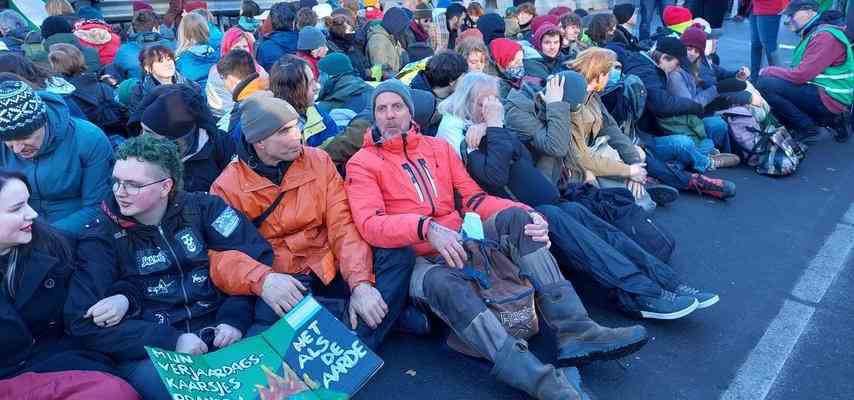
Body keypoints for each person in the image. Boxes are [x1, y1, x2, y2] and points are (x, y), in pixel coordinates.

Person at [346, 80, 649, 399]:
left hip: (460, 237)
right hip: (418, 258)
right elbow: (371, 225)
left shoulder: (438, 148)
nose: (390, 115)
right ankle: (537, 379)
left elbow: (473, 199)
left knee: (519, 220)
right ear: (374, 116)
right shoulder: (362, 164)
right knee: (445, 284)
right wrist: (426, 228)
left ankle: (577, 329)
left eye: (398, 107)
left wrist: (528, 212)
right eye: (382, 108)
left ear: (410, 111)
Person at [437, 72, 716, 319]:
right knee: (581, 236)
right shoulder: (461, 134)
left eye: (493, 100)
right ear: (467, 103)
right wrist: (493, 126)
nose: (491, 107)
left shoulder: (487, 128)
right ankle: (642, 294)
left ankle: (666, 282)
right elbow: (493, 177)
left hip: (548, 201)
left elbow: (520, 157)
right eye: (483, 102)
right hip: (517, 216)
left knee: (601, 230)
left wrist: (491, 128)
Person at [65, 135, 267, 400]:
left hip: (224, 329)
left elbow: (256, 259)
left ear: (165, 186)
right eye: (116, 181)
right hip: (154, 351)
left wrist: (234, 318)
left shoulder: (205, 209)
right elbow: (81, 320)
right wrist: (171, 341)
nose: (119, 191)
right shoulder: (101, 235)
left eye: (133, 185)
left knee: (278, 370)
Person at [208, 91, 414, 347]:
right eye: (284, 131)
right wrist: (264, 280)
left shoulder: (318, 159)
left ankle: (353, 339)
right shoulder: (227, 186)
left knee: (398, 254)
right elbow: (221, 255)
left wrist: (360, 283)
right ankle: (363, 323)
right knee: (269, 313)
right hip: (282, 277)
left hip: (328, 261)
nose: (297, 136)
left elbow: (343, 223)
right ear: (259, 142)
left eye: (297, 126)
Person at [0, 170, 140, 398]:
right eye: (17, 209)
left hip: (56, 365)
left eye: (28, 203)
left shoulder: (53, 245)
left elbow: (106, 279)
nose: (33, 214)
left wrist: (123, 298)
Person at [0, 80, 111, 237]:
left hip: (79, 233)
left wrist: (45, 236)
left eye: (25, 137)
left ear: (44, 121)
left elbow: (99, 207)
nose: (17, 149)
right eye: (7, 140)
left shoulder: (89, 139)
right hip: (17, 232)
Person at [756, 0, 853, 143]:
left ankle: (808, 128)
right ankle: (833, 121)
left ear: (809, 12)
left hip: (830, 98)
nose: (788, 20)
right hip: (828, 95)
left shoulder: (824, 36)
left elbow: (800, 75)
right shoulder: (816, 32)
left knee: (765, 85)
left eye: (792, 15)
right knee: (775, 86)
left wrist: (769, 70)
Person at [136, 84, 237, 193]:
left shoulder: (221, 143)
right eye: (143, 130)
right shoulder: (140, 159)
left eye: (149, 133)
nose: (141, 138)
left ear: (173, 138)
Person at [48, 43, 127, 137]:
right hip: (117, 136)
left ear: (55, 67)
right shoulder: (103, 86)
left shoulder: (59, 98)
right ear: (80, 58)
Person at [269, 55, 339, 147]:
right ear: (292, 91)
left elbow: (335, 145)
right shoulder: (271, 126)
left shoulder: (317, 114)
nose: (316, 87)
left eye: (314, 80)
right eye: (309, 84)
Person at [126, 45, 201, 132]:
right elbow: (137, 126)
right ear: (147, 68)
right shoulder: (139, 93)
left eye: (169, 59)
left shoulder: (192, 87)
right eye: (160, 61)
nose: (167, 64)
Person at [206, 27, 266, 121]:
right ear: (227, 48)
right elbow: (222, 109)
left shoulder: (259, 69)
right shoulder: (218, 73)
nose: (242, 51)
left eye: (245, 47)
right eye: (237, 47)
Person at [110, 10, 176, 82]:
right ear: (157, 27)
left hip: (136, 90)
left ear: (134, 28)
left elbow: (116, 77)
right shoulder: (170, 45)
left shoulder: (123, 50)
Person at [217, 49, 269, 135]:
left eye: (222, 78)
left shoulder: (243, 108)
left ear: (231, 78)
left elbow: (233, 143)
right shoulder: (267, 92)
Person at [316, 52, 374, 122]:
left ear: (331, 76)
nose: (318, 79)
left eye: (322, 74)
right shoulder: (372, 91)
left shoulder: (325, 108)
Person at [175, 12, 219, 90]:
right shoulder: (220, 55)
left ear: (182, 32)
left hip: (195, 99)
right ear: (205, 29)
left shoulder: (179, 61)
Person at [325, 9, 371, 79]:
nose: (354, 32)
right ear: (342, 32)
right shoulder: (331, 50)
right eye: (351, 30)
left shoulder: (352, 44)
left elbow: (363, 62)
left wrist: (369, 71)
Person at [367, 7, 411, 77]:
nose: (403, 31)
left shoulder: (393, 37)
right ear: (395, 24)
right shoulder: (379, 40)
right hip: (385, 83)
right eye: (402, 28)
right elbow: (381, 71)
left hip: (395, 78)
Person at [256, 2, 299, 72]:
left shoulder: (264, 47)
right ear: (294, 21)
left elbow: (260, 75)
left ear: (272, 21)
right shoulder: (304, 42)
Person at [749, 0, 785, 77]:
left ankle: (779, 79)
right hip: (754, 5)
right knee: (756, 44)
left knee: (769, 45)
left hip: (769, 5)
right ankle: (755, 78)